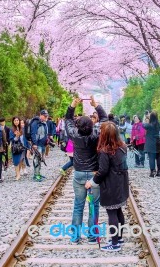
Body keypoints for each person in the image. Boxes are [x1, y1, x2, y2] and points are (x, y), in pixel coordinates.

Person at [65, 96, 107, 244]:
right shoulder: (96, 133)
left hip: (79, 173)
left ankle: (75, 237)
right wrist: (96, 105)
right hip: (94, 174)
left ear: (78, 126)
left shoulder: (74, 135)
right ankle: (92, 236)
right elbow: (104, 119)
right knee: (93, 205)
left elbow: (68, 120)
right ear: (91, 125)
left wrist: (72, 106)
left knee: (78, 205)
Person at [85, 121, 129, 252]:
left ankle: (114, 244)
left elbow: (103, 171)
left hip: (111, 185)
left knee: (112, 213)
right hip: (121, 184)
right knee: (118, 210)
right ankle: (119, 237)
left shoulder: (105, 151)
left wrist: (91, 182)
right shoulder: (122, 147)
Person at [31, 109, 50, 182]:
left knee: (41, 159)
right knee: (37, 160)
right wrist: (34, 144)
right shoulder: (35, 122)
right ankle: (36, 175)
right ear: (41, 115)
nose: (46, 117)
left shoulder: (44, 123)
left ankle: (38, 173)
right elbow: (33, 133)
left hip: (43, 145)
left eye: (46, 116)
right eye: (45, 116)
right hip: (38, 145)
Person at [143, 111, 160, 177]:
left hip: (150, 143)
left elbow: (143, 125)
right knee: (158, 157)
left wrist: (145, 117)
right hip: (157, 142)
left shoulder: (149, 125)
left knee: (151, 157)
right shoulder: (158, 124)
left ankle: (152, 171)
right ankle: (159, 171)